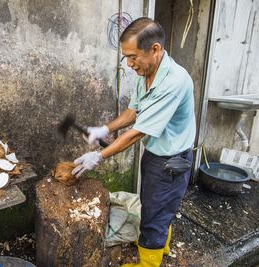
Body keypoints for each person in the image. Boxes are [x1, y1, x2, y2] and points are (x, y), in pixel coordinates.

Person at [72, 17, 196, 267]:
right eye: (125, 57)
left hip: (171, 162)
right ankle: (161, 245)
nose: (129, 64)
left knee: (154, 214)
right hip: (155, 156)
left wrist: (100, 156)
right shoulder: (147, 73)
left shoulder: (173, 83)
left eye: (133, 56)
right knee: (154, 208)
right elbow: (133, 112)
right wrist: (104, 128)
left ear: (155, 49)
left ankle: (148, 264)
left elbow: (138, 132)